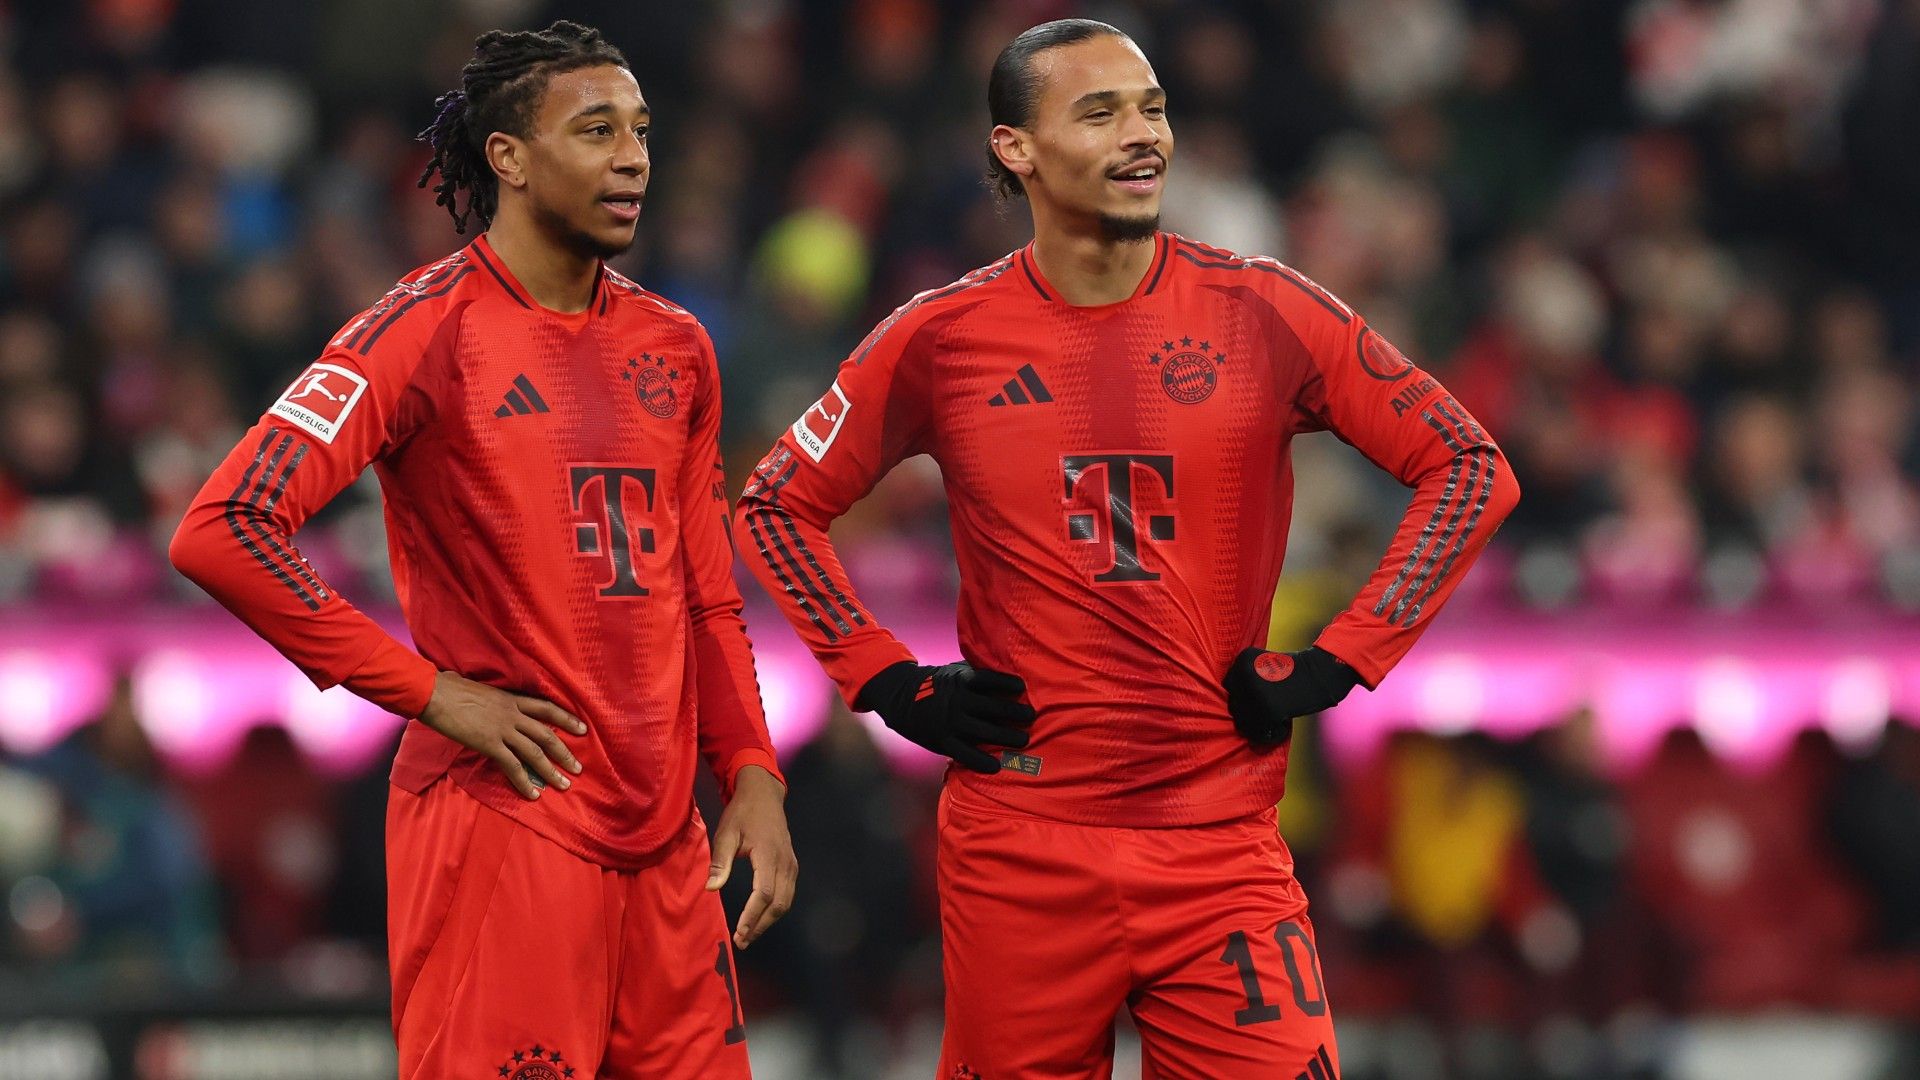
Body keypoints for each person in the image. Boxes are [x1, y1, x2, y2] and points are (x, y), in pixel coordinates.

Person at [735, 18, 1518, 1078]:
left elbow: (1470, 467)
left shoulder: (1266, 310)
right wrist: (887, 681)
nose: (1142, 133)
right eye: (1099, 111)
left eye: (1151, 107)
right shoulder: (941, 338)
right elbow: (775, 506)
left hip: (1219, 846)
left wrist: (1341, 658)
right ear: (1015, 147)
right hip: (1021, 849)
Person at [169, 22, 792, 1079]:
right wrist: (428, 691)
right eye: (596, 131)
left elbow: (706, 595)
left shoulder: (675, 348)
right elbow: (223, 528)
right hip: (506, 823)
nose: (634, 156)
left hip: (667, 840)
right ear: (507, 157)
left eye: (640, 131)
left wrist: (753, 776)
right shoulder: (420, 332)